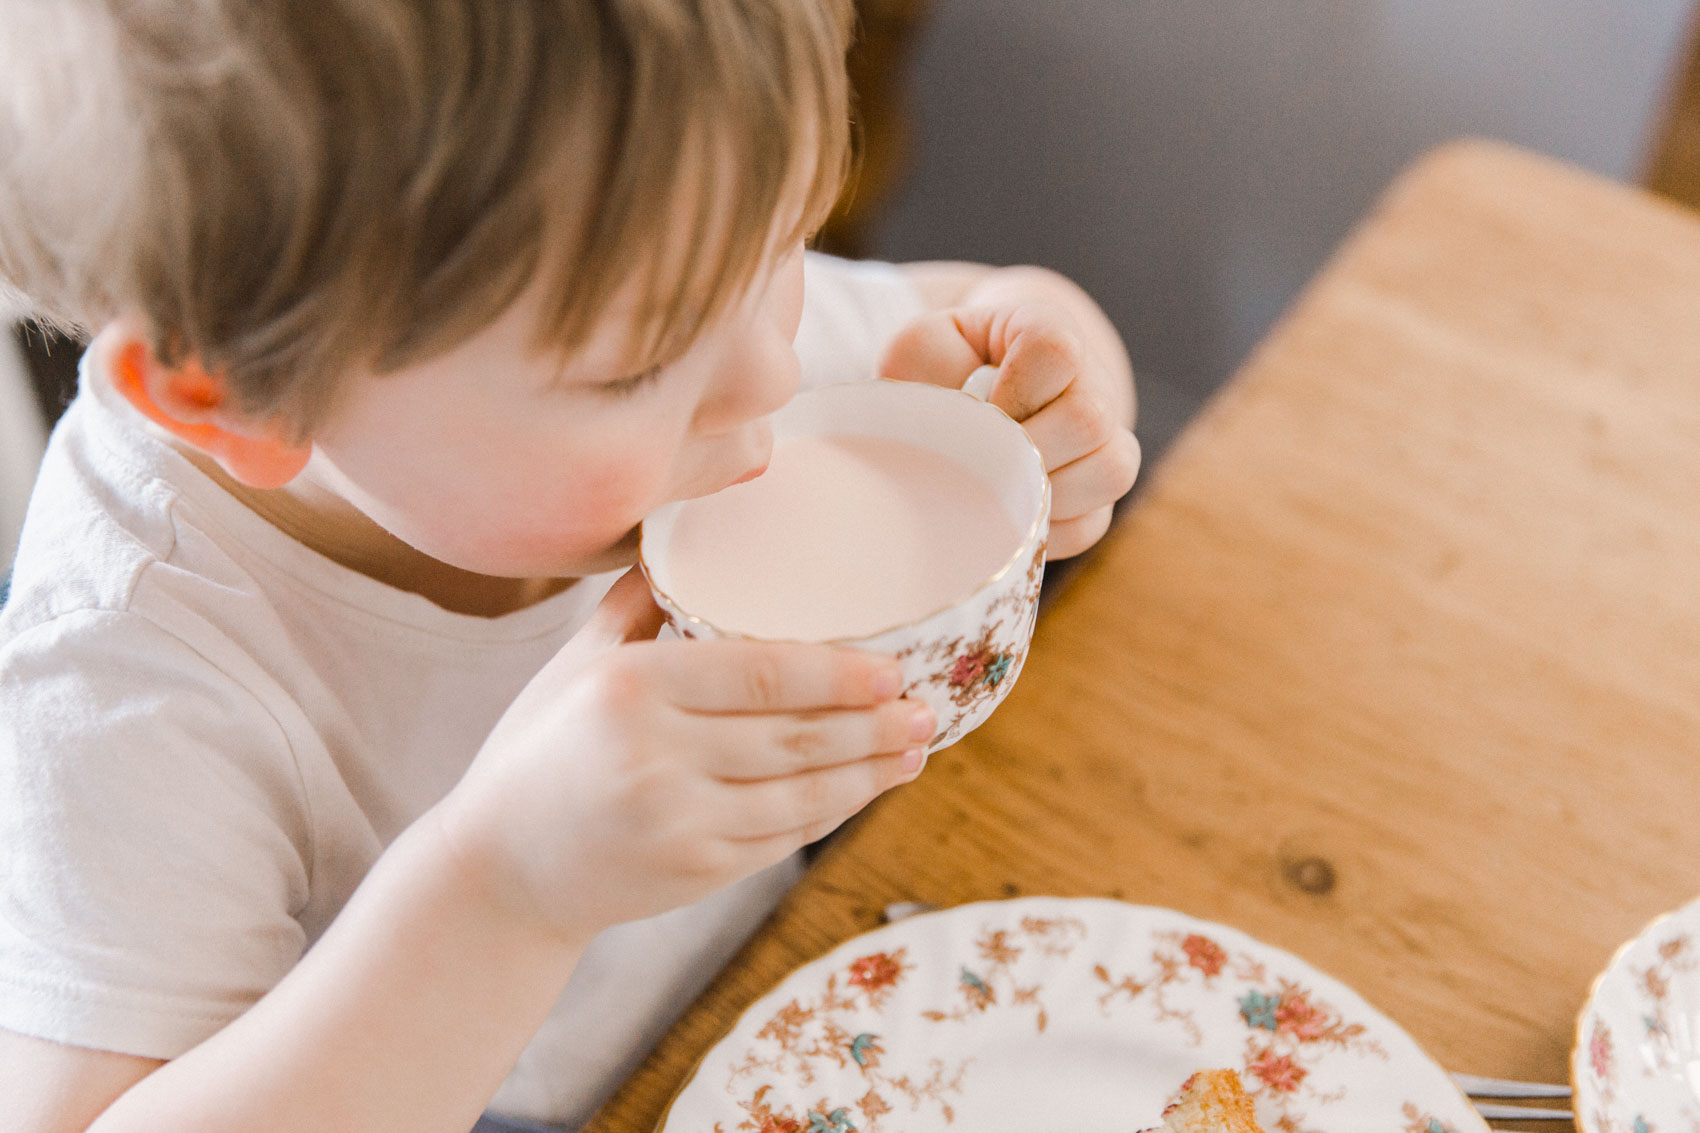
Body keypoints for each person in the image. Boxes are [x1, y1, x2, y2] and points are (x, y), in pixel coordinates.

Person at [0, 2, 1140, 1130]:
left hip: (767, 986)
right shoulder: (121, 684)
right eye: (637, 365)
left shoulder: (676, 289)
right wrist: (499, 892)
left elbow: (980, 306)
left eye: (790, 235)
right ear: (237, 394)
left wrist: (1047, 377)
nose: (771, 377)